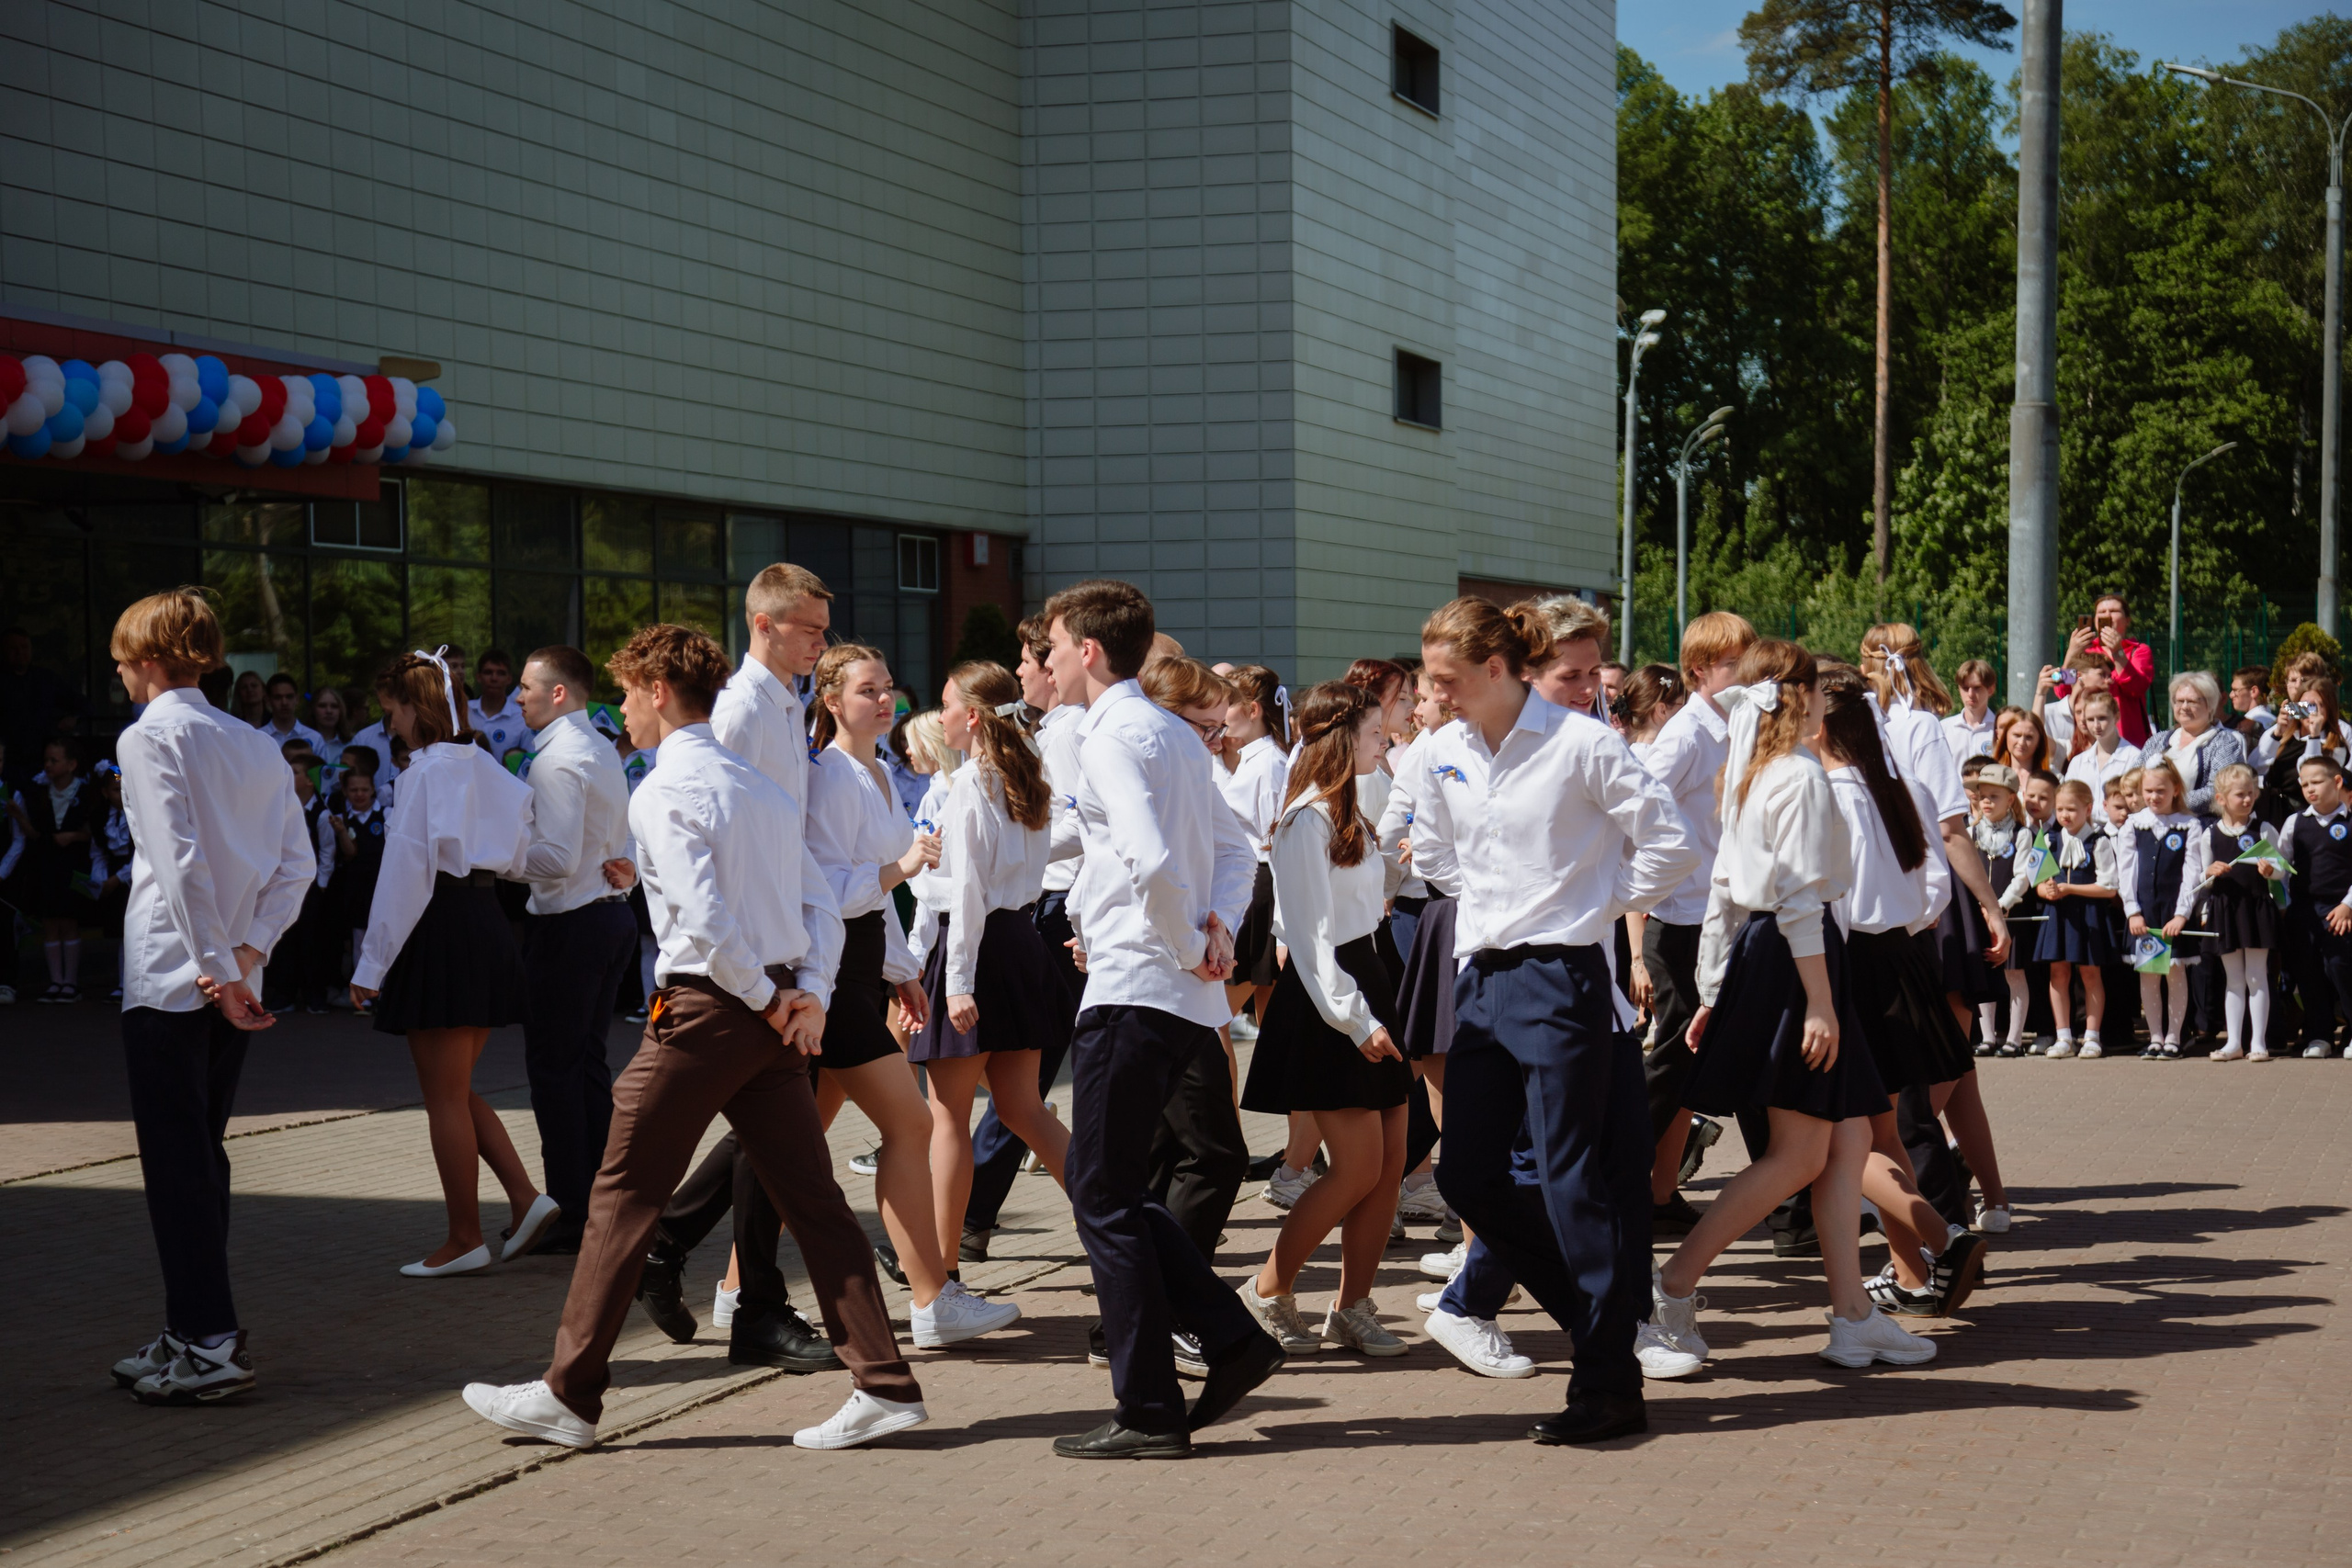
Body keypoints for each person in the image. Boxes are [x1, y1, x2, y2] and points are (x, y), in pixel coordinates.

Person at [461, 623, 927, 1453]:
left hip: (712, 1010)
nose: (622, 714)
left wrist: (771, 998)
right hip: (767, 1007)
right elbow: (818, 903)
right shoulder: (759, 787)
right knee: (813, 1202)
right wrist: (802, 998)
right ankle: (885, 1384)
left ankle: (570, 1395)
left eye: (628, 696)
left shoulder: (666, 789)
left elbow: (709, 920)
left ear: (657, 693)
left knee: (621, 1195)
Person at [1414, 595, 1695, 1443]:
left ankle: (1606, 1383)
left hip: (1561, 973)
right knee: (1466, 1174)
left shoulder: (1584, 743)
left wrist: (1592, 905)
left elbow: (1670, 841)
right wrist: (1498, 898)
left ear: (1497, 670)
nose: (1437, 694)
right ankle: (1601, 1329)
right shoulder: (1440, 751)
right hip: (1483, 976)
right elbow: (1430, 853)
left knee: (1573, 1182)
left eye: (1447, 679)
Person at [1643, 640, 1935, 1378]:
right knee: (1801, 1153)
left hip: (1778, 960)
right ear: (1801, 697)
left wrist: (1715, 987)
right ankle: (1670, 1288)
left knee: (1838, 1148)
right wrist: (1821, 1005)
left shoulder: (1752, 773)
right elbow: (1801, 902)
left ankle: (1853, 1318)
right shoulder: (1799, 776)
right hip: (1800, 964)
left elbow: (1725, 891)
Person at [1044, 579, 1282, 1460]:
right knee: (1118, 1193)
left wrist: (1193, 938)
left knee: (1102, 1197)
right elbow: (1231, 853)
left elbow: (1151, 854)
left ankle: (1149, 1406)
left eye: (1056, 646)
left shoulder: (1115, 734)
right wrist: (1211, 931)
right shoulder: (1172, 734)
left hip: (1142, 988)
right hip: (1175, 990)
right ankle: (1227, 1339)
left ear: (1091, 651)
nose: (1050, 660)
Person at [106, 589, 314, 1405]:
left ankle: (210, 1337)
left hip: (173, 977)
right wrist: (247, 957)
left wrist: (218, 966)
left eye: (124, 658)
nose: (119, 671)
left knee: (179, 1164)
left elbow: (178, 859)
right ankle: (192, 1326)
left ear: (152, 659)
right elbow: (297, 865)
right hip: (230, 978)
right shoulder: (256, 744)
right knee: (201, 1155)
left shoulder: (148, 737)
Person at [638, 563, 841, 1366]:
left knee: (779, 1129)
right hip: (755, 959)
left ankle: (687, 1255)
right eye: (809, 629)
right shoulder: (742, 708)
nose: (821, 644)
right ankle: (746, 1294)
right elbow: (713, 836)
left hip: (803, 939)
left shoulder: (783, 704)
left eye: (824, 630)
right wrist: (766, 975)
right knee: (777, 1132)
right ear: (764, 624)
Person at [807, 646, 1020, 1347]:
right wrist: (899, 870)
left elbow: (885, 902)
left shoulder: (877, 772)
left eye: (890, 686)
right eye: (869, 689)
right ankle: (931, 1297)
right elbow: (837, 891)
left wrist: (904, 971)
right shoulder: (833, 775)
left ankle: (733, 1281)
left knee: (792, 1139)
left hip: (865, 967)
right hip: (832, 972)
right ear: (833, 701)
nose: (886, 699)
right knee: (903, 1127)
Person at [350, 649, 552, 1275]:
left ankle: (464, 1237)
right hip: (488, 920)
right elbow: (520, 857)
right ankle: (525, 1199)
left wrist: (370, 964)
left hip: (439, 925)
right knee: (456, 1088)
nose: (391, 725)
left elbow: (405, 874)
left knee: (443, 1095)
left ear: (417, 706)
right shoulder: (490, 768)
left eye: (394, 711)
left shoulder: (423, 774)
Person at [1237, 682, 1414, 1358]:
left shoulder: (1351, 811)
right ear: (1344, 737)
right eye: (1375, 731)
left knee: (1389, 1163)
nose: (1385, 739)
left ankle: (1353, 1307)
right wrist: (1355, 1018)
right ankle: (1268, 1289)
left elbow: (1361, 907)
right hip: (1333, 1000)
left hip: (1371, 978)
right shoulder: (1303, 822)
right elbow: (1308, 939)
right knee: (1356, 1168)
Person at [1812, 667, 1987, 1321]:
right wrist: (1904, 924)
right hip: (1901, 959)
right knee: (1883, 1131)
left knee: (1837, 1141)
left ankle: (1940, 1237)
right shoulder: (1902, 786)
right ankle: (1914, 1272)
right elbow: (1933, 886)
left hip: (1847, 966)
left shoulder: (1827, 792)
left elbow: (1832, 901)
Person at [910, 660, 1074, 1273]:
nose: (942, 713)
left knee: (949, 1117)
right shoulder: (1025, 774)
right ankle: (1123, 1231)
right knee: (1023, 1108)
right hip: (1018, 944)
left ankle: (941, 1270)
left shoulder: (973, 786)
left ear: (973, 716)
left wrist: (955, 983)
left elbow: (968, 895)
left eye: (949, 703)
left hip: (979, 949)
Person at [961, 615, 1086, 1263]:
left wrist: (1023, 849)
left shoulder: (1062, 734)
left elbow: (1075, 824)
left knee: (1018, 1086)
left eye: (1028, 661)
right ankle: (968, 1215)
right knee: (1022, 1089)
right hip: (1047, 904)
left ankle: (963, 1219)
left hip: (1053, 907)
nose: (1023, 672)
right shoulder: (1050, 732)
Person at [513, 646, 641, 1255]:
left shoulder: (560, 757)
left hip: (570, 926)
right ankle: (597, 1202)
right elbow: (615, 838)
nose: (518, 697)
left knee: (557, 1074)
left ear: (558, 693)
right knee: (585, 1068)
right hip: (605, 921)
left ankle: (572, 1210)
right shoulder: (597, 748)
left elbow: (557, 859)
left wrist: (491, 853)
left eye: (526, 687)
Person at [1632, 612, 1755, 1231]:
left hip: (1714, 915)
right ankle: (1621, 1176)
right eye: (1734, 663)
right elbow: (1637, 801)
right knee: (1675, 1053)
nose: (1744, 674)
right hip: (1680, 917)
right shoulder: (1687, 734)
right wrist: (1667, 872)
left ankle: (1657, 1188)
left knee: (1694, 1060)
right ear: (1701, 670)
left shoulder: (1734, 726)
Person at [2191, 762, 2284, 1061]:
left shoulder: (2264, 829)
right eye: (2240, 795)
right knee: (2233, 979)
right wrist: (2210, 871)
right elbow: (2200, 878)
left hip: (2256, 908)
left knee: (2257, 976)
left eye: (2251, 794)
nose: (2247, 800)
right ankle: (2233, 1042)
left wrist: (2271, 870)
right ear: (2221, 799)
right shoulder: (2210, 834)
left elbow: (2283, 869)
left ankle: (2258, 1042)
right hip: (2225, 909)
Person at [2028, 780, 2121, 1058]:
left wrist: (2069, 888)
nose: (2065, 815)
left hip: (2089, 915)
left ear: (2088, 808)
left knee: (2090, 973)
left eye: (2071, 809)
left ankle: (2092, 1036)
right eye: (2060, 809)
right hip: (2058, 915)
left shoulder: (2098, 841)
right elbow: (2035, 878)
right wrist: (2047, 889)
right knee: (2058, 973)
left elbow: (2109, 887)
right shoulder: (2048, 838)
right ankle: (2064, 1036)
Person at [2119, 761, 2199, 1059]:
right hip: (2145, 912)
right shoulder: (2134, 824)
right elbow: (2126, 869)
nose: (2154, 796)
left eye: (2160, 790)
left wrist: (2182, 913)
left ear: (2175, 789)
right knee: (2149, 975)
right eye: (2148, 790)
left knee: (2175, 973)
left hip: (2173, 912)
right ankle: (2155, 1036)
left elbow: (2193, 872)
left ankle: (2174, 1037)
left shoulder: (2189, 824)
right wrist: (2132, 911)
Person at [2283, 751, 2352, 1060]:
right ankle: (2318, 1035)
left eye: (2317, 782)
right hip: (2304, 912)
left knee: (2341, 969)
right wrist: (2272, 872)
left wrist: (2348, 905)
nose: (2309, 789)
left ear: (2337, 781)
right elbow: (2282, 864)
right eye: (2304, 784)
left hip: (2342, 912)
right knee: (2308, 973)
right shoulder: (2294, 822)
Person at [17, 735, 94, 1001]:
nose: (48, 765)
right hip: (47, 863)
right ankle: (55, 982)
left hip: (73, 864)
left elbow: (94, 831)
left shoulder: (85, 791)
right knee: (50, 922)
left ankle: (71, 983)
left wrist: (74, 836)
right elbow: (36, 834)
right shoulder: (38, 792)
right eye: (46, 760)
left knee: (69, 922)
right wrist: (18, 816)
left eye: (55, 760)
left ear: (72, 764)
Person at [2143, 671, 2247, 817]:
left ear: (2210, 705)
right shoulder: (2157, 740)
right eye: (2179, 701)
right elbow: (2135, 778)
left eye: (2192, 701)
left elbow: (2220, 788)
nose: (2184, 707)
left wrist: (2171, 802)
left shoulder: (2224, 742)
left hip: (2199, 827)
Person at [1, 625, 79, 792]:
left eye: (24, 647)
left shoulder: (45, 680)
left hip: (42, 761)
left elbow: (80, 704)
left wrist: (73, 718)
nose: (20, 653)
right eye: (14, 648)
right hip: (8, 762)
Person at [2063, 688, 2143, 793]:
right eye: (2090, 719)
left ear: (2117, 716)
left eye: (2102, 718)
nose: (2096, 726)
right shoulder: (2078, 762)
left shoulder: (2134, 757)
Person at [469, 649, 532, 758]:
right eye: (488, 672)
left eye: (500, 673)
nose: (494, 678)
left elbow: (526, 763)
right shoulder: (464, 710)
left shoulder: (522, 718)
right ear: (478, 677)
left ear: (509, 679)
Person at [1942, 659, 1998, 762]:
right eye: (1965, 688)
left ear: (1991, 689)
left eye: (1977, 688)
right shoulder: (1944, 729)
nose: (1970, 694)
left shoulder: (1999, 729)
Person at [257, 673, 325, 752]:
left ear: (297, 699)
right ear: (268, 700)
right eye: (278, 697)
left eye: (289, 697)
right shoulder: (259, 737)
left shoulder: (314, 738)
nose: (284, 702)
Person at [310, 685, 353, 749]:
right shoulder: (303, 741)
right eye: (322, 706)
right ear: (313, 709)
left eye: (334, 706)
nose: (329, 711)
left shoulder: (352, 743)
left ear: (341, 710)